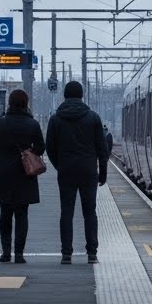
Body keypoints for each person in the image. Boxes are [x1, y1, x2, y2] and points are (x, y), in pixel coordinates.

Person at [45, 80, 109, 265]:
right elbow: (102, 149)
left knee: (67, 212)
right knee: (90, 211)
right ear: (81, 95)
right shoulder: (93, 118)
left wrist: (60, 165)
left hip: (66, 170)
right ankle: (92, 253)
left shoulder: (56, 119)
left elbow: (50, 147)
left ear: (65, 95)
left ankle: (66, 254)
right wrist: (102, 172)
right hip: (89, 170)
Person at [0, 89, 44, 263]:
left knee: (5, 212)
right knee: (22, 213)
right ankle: (19, 254)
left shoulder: (0, 122)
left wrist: (0, 156)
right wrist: (29, 153)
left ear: (10, 103)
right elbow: (41, 147)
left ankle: (5, 252)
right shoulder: (32, 124)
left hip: (3, 172)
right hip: (25, 173)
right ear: (26, 104)